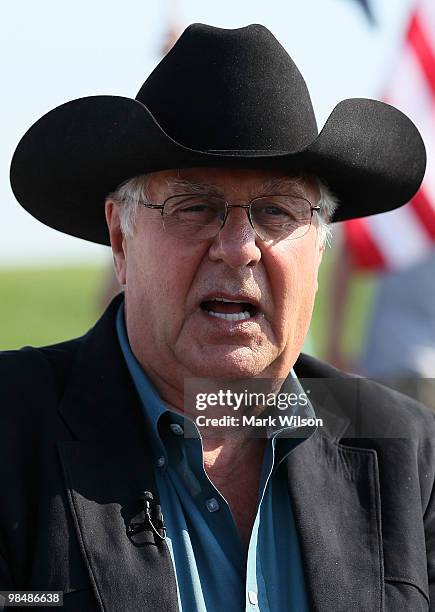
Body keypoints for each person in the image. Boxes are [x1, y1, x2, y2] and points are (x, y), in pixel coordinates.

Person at [2, 23, 434, 612]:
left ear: (320, 247)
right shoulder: (10, 429)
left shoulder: (409, 452)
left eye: (277, 211)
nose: (238, 247)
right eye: (195, 207)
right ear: (120, 241)